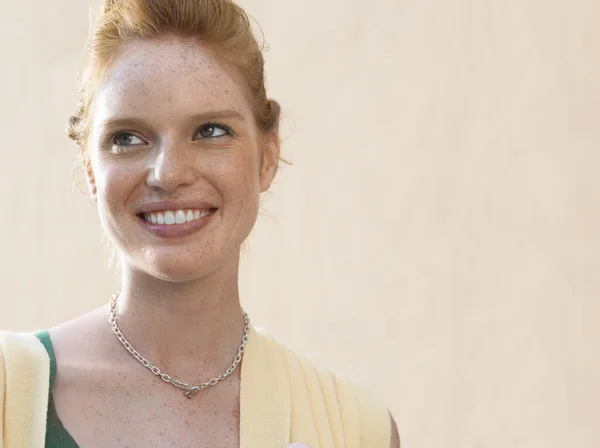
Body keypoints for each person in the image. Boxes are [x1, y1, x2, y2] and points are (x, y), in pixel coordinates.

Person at [0, 0, 400, 446]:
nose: (169, 173)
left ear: (268, 156)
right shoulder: (8, 396)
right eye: (127, 138)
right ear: (91, 169)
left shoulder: (355, 428)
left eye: (210, 131)